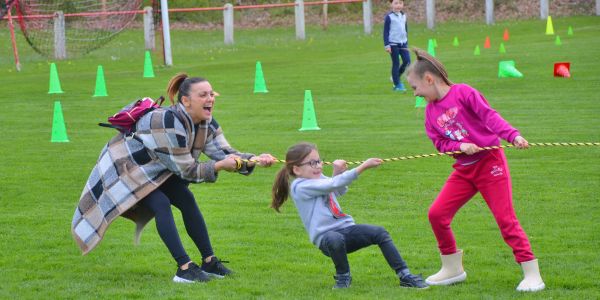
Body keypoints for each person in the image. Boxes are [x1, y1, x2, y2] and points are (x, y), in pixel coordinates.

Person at [72, 73, 276, 283]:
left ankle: (209, 262)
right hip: (126, 167)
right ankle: (184, 269)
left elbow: (225, 152)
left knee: (186, 198)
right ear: (185, 100)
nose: (210, 99)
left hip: (156, 167)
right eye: (203, 95)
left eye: (211, 94)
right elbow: (187, 170)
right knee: (161, 203)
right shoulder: (167, 121)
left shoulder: (207, 122)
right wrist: (219, 166)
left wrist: (254, 159)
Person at [405, 48, 545, 292]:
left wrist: (513, 136)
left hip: (490, 164)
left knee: (505, 219)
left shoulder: (464, 93)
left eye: (415, 88)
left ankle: (532, 274)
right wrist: (460, 146)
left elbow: (490, 117)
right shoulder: (430, 112)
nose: (415, 94)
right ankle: (452, 269)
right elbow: (440, 143)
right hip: (464, 170)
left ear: (429, 79)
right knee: (437, 214)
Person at [271, 142, 428, 289]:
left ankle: (405, 275)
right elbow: (333, 184)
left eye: (319, 161)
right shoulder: (300, 187)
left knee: (380, 232)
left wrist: (338, 172)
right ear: (297, 170)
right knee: (334, 238)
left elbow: (339, 189)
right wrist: (363, 167)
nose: (318, 166)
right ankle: (343, 277)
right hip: (327, 239)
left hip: (346, 230)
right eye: (312, 163)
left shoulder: (317, 178)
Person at [383, 0, 410, 92]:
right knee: (396, 63)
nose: (398, 5)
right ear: (391, 4)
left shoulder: (404, 15)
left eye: (400, 3)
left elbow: (405, 30)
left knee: (407, 61)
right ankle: (397, 85)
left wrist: (406, 41)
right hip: (393, 44)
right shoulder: (389, 17)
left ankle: (395, 77)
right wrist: (387, 45)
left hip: (403, 43)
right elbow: (385, 32)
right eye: (396, 3)